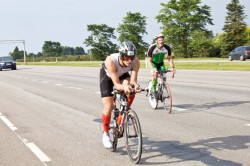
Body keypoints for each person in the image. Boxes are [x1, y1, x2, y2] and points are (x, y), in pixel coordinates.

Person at [99, 41, 141, 148]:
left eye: (132, 57)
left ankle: (124, 114)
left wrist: (135, 86)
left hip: (122, 74)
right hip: (108, 77)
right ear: (121, 55)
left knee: (131, 90)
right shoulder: (111, 61)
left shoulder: (136, 62)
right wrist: (124, 87)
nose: (129, 60)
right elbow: (117, 85)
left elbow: (133, 81)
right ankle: (105, 133)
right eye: (126, 57)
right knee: (109, 106)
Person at [147, 33, 175, 98]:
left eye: (162, 40)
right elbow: (149, 60)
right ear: (156, 41)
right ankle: (153, 90)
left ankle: (161, 90)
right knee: (155, 75)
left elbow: (170, 58)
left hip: (161, 63)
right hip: (153, 63)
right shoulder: (152, 47)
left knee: (164, 79)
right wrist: (153, 69)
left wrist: (172, 67)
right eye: (159, 40)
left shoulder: (167, 47)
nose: (161, 41)